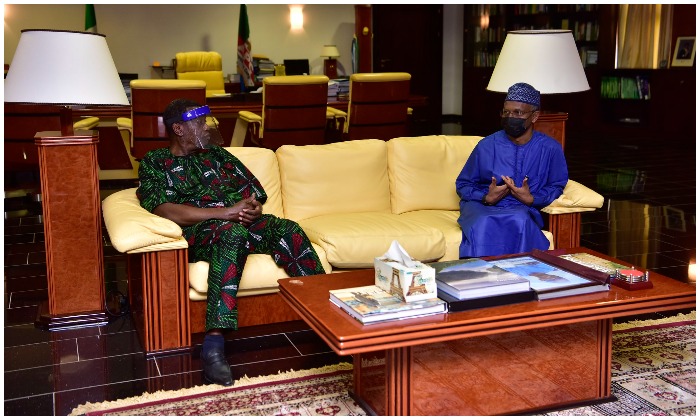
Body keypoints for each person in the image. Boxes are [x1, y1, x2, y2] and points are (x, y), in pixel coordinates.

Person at [136, 98, 326, 386]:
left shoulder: (218, 155)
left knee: (287, 229)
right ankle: (214, 345)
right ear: (178, 129)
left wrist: (251, 209)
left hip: (239, 223)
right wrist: (227, 213)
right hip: (202, 230)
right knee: (231, 233)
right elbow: (164, 209)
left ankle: (326, 314)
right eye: (199, 123)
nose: (205, 128)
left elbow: (254, 194)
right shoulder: (155, 162)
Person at [455, 82, 568, 258]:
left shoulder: (550, 148)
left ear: (534, 116)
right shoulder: (486, 145)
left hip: (521, 207)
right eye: (506, 112)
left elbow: (557, 184)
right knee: (483, 222)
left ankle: (517, 278)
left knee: (519, 219)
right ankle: (481, 278)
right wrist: (485, 197)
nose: (510, 117)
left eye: (518, 112)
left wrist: (532, 199)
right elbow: (463, 183)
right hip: (482, 206)